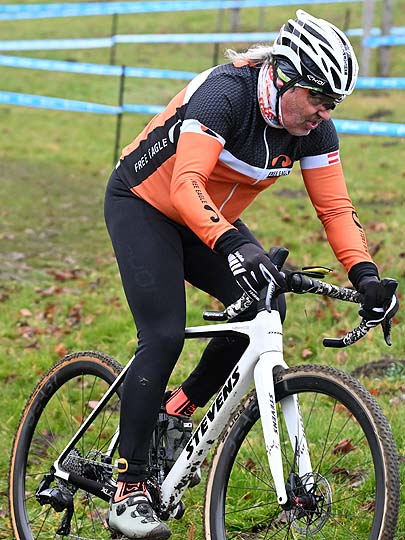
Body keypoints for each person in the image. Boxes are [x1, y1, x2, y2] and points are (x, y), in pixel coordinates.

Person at [104, 10, 398, 539]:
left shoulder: (312, 129)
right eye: (318, 97)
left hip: (207, 218)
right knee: (164, 334)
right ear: (283, 76)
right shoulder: (226, 95)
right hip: (145, 204)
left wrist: (366, 276)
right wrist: (235, 244)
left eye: (333, 103)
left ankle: (176, 410)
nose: (324, 112)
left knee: (268, 304)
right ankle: (128, 488)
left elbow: (335, 208)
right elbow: (186, 183)